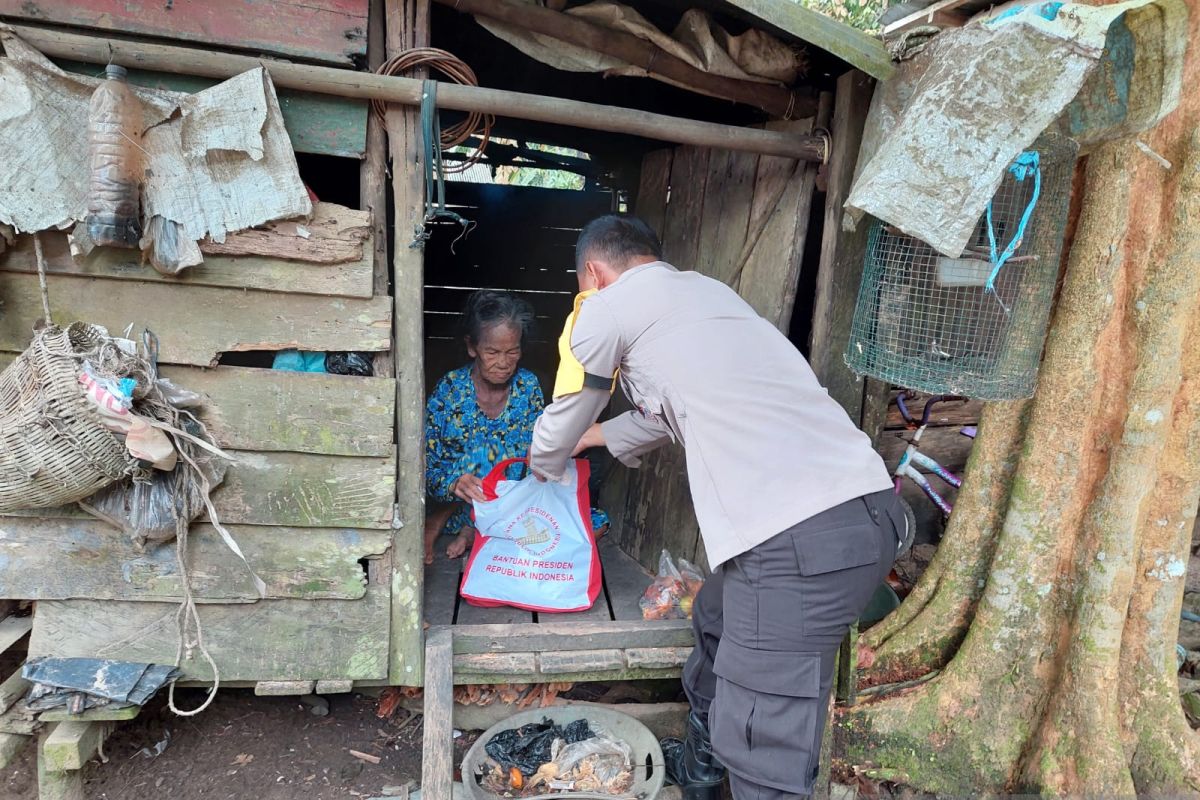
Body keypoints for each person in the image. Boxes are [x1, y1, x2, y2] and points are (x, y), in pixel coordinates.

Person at [529, 215, 903, 800]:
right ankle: (701, 773)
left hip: (799, 543)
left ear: (593, 275)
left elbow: (578, 395)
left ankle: (745, 776)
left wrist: (545, 463)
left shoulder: (602, 307)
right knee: (715, 622)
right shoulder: (706, 294)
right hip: (869, 514)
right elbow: (665, 412)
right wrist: (591, 440)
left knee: (761, 742)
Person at [424, 290, 607, 565]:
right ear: (472, 347)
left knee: (595, 522)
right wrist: (453, 485)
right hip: (466, 500)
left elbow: (535, 454)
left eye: (513, 351)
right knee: (487, 452)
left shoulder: (528, 386)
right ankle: (447, 519)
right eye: (492, 352)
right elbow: (426, 468)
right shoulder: (449, 390)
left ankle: (478, 531)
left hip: (516, 504)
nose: (504, 363)